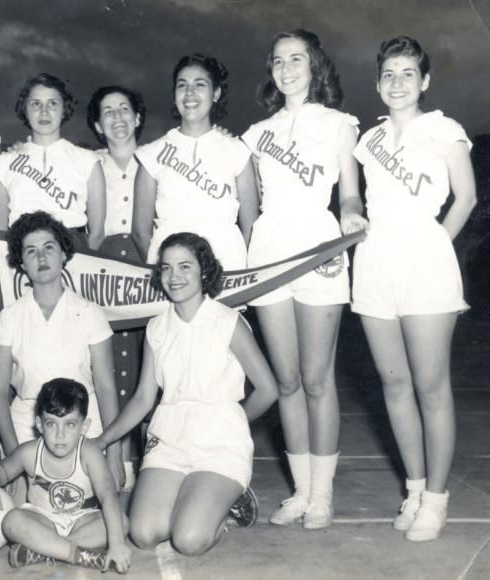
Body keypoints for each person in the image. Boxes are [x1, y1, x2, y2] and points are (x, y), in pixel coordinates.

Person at [240, 29, 368, 529]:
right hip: (269, 252)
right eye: (278, 60)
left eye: (297, 59)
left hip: (319, 246)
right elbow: (248, 206)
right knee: (287, 380)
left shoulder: (340, 124)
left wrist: (353, 217)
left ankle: (323, 494)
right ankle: (299, 491)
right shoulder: (255, 134)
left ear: (316, 66)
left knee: (317, 378)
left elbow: (350, 195)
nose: (287, 68)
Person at [352, 36, 476, 542]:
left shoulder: (445, 130)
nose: (397, 82)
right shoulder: (370, 140)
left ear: (424, 82)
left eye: (407, 73)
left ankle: (438, 500)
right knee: (394, 385)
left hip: (426, 265)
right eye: (388, 74)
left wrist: (432, 246)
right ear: (378, 83)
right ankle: (415, 488)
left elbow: (466, 198)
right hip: (374, 264)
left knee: (430, 385)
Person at [96, 233, 278, 556]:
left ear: (204, 271)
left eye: (184, 267)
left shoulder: (228, 322)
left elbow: (268, 389)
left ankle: (227, 505)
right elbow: (142, 399)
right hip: (170, 441)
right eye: (166, 268)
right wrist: (103, 440)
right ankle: (197, 499)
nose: (174, 277)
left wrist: (233, 421)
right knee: (144, 533)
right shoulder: (156, 327)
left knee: (188, 539)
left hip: (220, 445)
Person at [0, 211, 123, 499]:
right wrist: (15, 458)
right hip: (28, 425)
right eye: (31, 251)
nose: (41, 258)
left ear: (63, 254)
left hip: (83, 424)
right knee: (20, 514)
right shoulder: (10, 317)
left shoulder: (89, 313)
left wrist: (114, 453)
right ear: (21, 263)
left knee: (84, 511)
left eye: (49, 248)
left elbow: (107, 387)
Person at [0, 378, 131, 573]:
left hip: (82, 520)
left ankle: (46, 551)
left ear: (84, 426)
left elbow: (108, 497)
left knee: (121, 522)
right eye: (51, 424)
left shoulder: (90, 453)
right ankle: (75, 554)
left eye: (70, 424)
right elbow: (3, 469)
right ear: (39, 423)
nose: (60, 434)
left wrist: (116, 544)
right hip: (43, 519)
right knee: (11, 521)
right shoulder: (29, 452)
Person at [133, 54, 257, 270]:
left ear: (215, 93)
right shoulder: (151, 154)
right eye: (182, 86)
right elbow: (140, 231)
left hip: (226, 264)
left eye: (199, 84)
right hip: (171, 269)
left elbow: (251, 228)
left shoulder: (237, 151)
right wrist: (163, 269)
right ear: (174, 95)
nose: (189, 93)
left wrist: (236, 274)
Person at [86, 85, 147, 490]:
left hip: (150, 270)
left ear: (138, 117)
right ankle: (118, 455)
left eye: (125, 109)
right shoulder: (86, 163)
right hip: (106, 271)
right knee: (112, 365)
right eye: (107, 112)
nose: (118, 118)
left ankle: (153, 456)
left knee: (150, 366)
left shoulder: (160, 158)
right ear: (96, 124)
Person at [0, 73, 106, 250]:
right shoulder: (3, 164)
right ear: (25, 110)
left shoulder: (88, 161)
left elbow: (97, 233)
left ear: (64, 109)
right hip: (23, 251)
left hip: (75, 252)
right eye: (36, 104)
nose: (44, 111)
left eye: (52, 103)